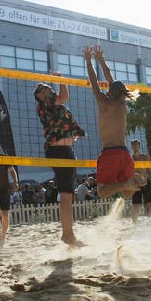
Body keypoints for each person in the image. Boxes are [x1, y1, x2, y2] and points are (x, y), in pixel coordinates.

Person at [83, 45, 145, 199]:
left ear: (110, 93)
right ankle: (135, 179)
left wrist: (89, 62)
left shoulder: (104, 103)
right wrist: (101, 60)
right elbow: (112, 80)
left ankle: (127, 183)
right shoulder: (123, 105)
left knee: (102, 192)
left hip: (110, 153)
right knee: (127, 196)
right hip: (125, 154)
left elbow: (94, 82)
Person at [34, 79, 86, 247]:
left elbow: (63, 98)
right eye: (43, 88)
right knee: (65, 194)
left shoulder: (55, 103)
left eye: (47, 86)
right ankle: (68, 235)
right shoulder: (44, 105)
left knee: (68, 194)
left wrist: (59, 80)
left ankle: (69, 234)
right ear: (39, 95)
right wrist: (61, 79)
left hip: (67, 152)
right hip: (57, 151)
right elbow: (64, 96)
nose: (47, 87)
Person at [130, 139, 151, 223]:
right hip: (136, 184)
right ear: (131, 147)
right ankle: (134, 225)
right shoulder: (130, 159)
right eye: (133, 145)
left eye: (136, 144)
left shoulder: (145, 157)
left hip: (146, 182)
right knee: (136, 205)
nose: (135, 146)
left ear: (139, 146)